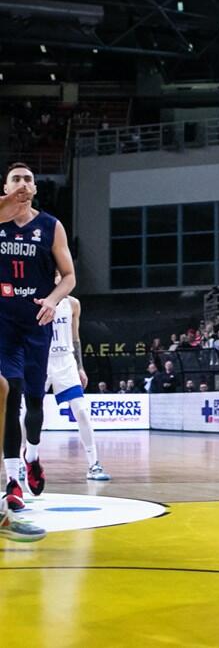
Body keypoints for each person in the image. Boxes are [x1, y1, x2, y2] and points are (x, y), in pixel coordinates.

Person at [1, 163, 76, 511]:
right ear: (5, 187)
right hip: (5, 323)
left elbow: (69, 276)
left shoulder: (50, 226)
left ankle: (32, 456)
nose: (22, 183)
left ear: (35, 188)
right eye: (15, 179)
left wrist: (52, 299)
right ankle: (12, 482)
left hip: (37, 322)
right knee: (9, 395)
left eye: (28, 179)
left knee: (34, 402)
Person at [44, 284, 111, 481]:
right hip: (42, 361)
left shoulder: (73, 304)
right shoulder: (37, 300)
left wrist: (80, 366)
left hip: (66, 361)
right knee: (28, 413)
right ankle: (25, 461)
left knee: (81, 411)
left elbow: (76, 338)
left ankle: (94, 464)